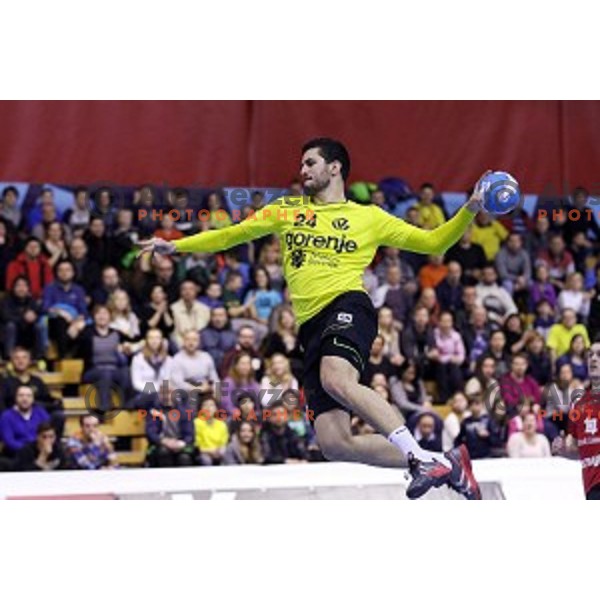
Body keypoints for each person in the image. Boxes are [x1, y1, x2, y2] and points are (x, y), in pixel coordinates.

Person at [138, 137, 484, 499]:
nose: (302, 170)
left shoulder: (368, 217)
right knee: (334, 443)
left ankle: (419, 458)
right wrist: (177, 245)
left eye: (310, 163)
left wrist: (470, 209)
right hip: (310, 326)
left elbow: (434, 243)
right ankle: (445, 461)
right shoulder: (287, 211)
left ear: (334, 168)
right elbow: (230, 236)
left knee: (337, 379)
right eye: (302, 164)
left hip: (348, 305)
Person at [553, 341, 600, 499]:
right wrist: (563, 450)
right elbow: (577, 448)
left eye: (599, 355)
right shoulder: (579, 404)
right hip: (591, 485)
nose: (593, 359)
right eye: (590, 355)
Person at [145, 386, 195, 468]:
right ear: (159, 395)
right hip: (162, 443)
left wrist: (182, 443)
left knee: (184, 458)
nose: (166, 396)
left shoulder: (185, 411)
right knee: (163, 453)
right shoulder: (154, 411)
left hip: (180, 443)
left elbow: (190, 433)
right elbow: (151, 432)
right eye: (163, 393)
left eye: (169, 392)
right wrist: (163, 441)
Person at [0, 276, 46, 359]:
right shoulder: (6, 300)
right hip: (11, 333)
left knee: (40, 325)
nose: (21, 288)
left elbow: (40, 312)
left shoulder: (31, 300)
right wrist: (23, 318)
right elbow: (5, 317)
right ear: (13, 288)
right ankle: (9, 357)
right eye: (18, 286)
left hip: (28, 333)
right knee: (10, 325)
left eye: (24, 286)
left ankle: (39, 357)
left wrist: (34, 317)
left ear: (28, 289)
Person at [0, 385, 50, 457]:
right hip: (16, 455)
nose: (25, 398)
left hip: (39, 453)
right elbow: (9, 441)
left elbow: (48, 433)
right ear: (16, 398)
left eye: (28, 396)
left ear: (33, 399)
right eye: (21, 395)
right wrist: (28, 450)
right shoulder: (6, 416)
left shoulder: (41, 413)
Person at [194, 396, 229, 466]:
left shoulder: (222, 424)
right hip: (203, 453)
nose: (208, 407)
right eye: (205, 405)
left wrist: (219, 451)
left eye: (211, 405)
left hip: (218, 453)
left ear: (216, 408)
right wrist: (211, 451)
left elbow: (223, 444)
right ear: (201, 408)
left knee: (227, 458)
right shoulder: (196, 423)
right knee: (206, 460)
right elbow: (198, 446)